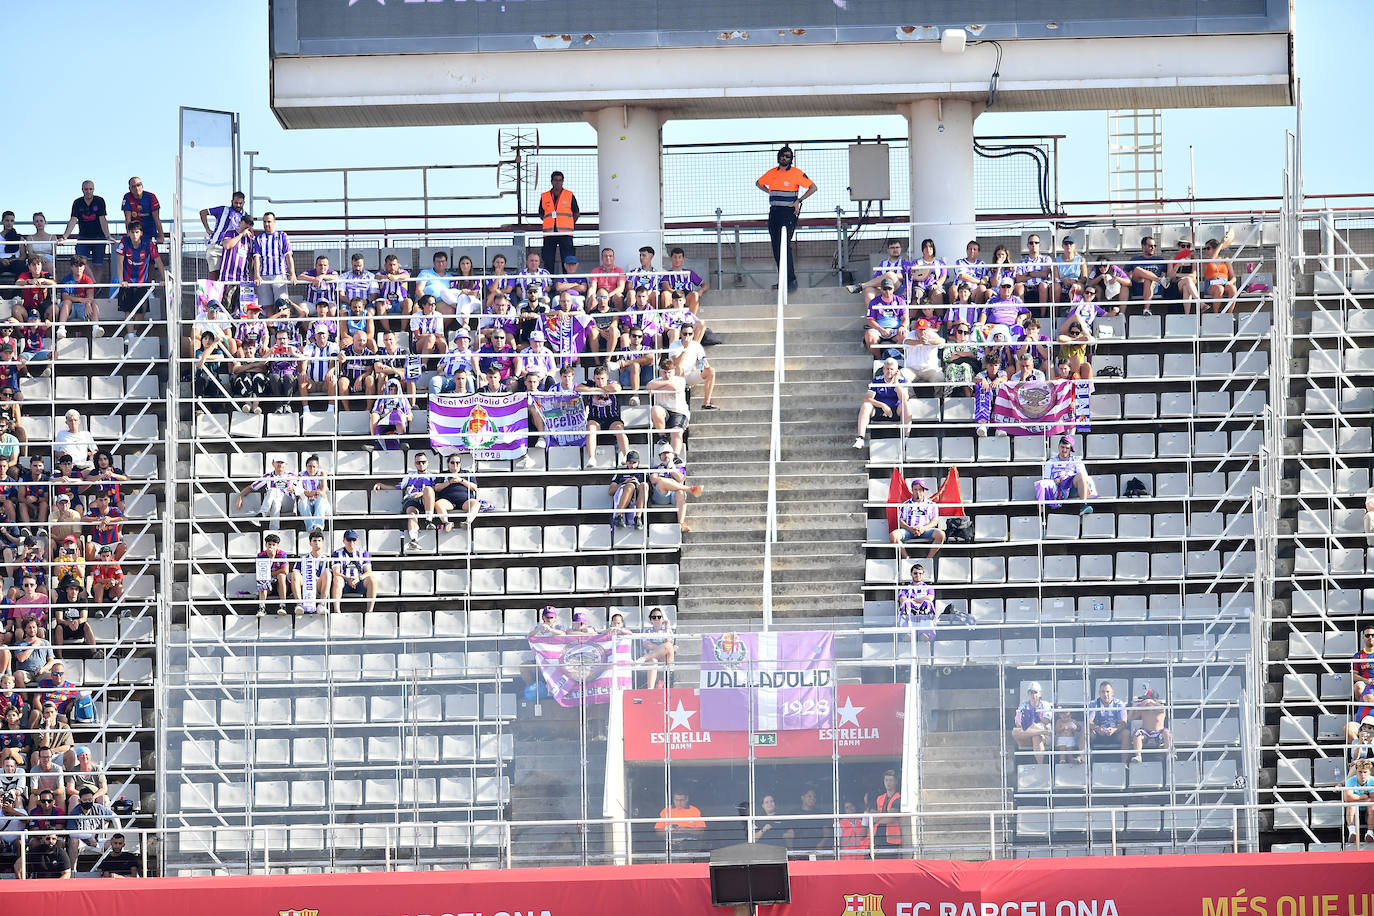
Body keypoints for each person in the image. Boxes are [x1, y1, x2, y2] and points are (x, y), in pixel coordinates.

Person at [756, 145, 816, 291]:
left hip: (788, 212)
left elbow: (813, 187)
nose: (784, 158)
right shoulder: (772, 172)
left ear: (791, 159)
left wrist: (799, 200)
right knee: (776, 246)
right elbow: (758, 183)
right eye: (782, 155)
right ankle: (783, 280)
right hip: (774, 211)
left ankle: (791, 281)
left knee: (784, 244)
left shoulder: (797, 173)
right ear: (779, 156)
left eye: (788, 156)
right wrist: (770, 192)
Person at [58, 181, 114, 289]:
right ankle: (93, 285)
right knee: (80, 261)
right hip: (84, 237)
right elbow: (73, 220)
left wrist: (108, 236)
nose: (88, 191)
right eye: (86, 189)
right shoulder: (77, 202)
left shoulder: (99, 201)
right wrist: (65, 237)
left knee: (98, 265)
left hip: (99, 237)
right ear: (82, 190)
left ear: (93, 189)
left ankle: (96, 289)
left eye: (90, 189)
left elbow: (102, 219)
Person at [374, 452, 436, 549]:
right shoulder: (409, 476)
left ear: (427, 463)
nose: (421, 465)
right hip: (412, 500)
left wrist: (421, 493)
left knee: (428, 490)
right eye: (418, 462)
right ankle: (414, 539)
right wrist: (381, 485)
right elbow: (398, 487)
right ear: (415, 464)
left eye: (423, 462)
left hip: (426, 501)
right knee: (411, 513)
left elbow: (436, 489)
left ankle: (428, 521)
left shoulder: (434, 476)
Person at [853, 357, 909, 450]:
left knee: (906, 405)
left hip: (896, 411)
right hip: (879, 410)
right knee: (866, 405)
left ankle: (906, 438)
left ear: (896, 371)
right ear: (883, 369)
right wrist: (883, 405)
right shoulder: (877, 380)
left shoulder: (902, 380)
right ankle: (860, 438)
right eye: (887, 369)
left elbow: (904, 399)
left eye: (892, 369)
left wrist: (896, 383)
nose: (889, 371)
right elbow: (867, 398)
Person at [578, 365, 628, 469]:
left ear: (607, 377)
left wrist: (603, 389)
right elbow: (578, 388)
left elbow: (616, 388)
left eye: (602, 379)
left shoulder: (612, 383)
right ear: (594, 378)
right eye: (597, 379)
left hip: (612, 418)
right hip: (595, 418)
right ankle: (591, 458)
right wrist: (597, 390)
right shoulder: (590, 383)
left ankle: (626, 455)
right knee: (590, 428)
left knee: (619, 428)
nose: (600, 381)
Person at [113, 220, 166, 319]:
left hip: (142, 283)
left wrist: (164, 279)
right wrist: (121, 281)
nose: (134, 235)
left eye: (137, 232)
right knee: (127, 310)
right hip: (127, 283)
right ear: (128, 233)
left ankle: (134, 332)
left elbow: (158, 261)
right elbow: (119, 261)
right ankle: (130, 334)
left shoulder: (148, 243)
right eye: (132, 232)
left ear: (141, 233)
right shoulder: (124, 241)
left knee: (142, 312)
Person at [648, 444, 704, 532]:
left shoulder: (679, 468)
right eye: (663, 454)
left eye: (668, 453)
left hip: (675, 495)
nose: (666, 455)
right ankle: (690, 489)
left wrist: (672, 469)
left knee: (680, 493)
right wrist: (666, 480)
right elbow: (653, 480)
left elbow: (681, 479)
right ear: (660, 457)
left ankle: (681, 523)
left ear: (673, 455)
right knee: (661, 481)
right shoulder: (655, 468)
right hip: (661, 495)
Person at [1036, 436, 1096, 515]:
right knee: (1041, 484)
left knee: (1081, 475)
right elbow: (1046, 479)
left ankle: (1083, 505)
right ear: (1058, 446)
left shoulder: (1076, 460)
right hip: (1056, 487)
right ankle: (1041, 516)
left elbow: (1084, 477)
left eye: (1067, 448)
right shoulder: (1050, 462)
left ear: (1071, 448)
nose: (1064, 450)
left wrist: (1067, 477)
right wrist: (1055, 480)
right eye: (1062, 447)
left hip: (1072, 488)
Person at [236, 454, 296, 528]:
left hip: (288, 504)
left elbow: (303, 487)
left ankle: (262, 514)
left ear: (286, 464)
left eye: (282, 462)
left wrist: (295, 487)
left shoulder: (292, 476)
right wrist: (240, 496)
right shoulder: (267, 476)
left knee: (273, 490)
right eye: (277, 462)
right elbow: (251, 487)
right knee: (276, 503)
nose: (280, 464)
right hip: (274, 505)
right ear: (273, 463)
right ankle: (274, 531)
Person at [667, 323, 718, 411]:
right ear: (680, 334)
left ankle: (706, 403)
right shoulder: (674, 345)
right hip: (677, 376)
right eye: (685, 334)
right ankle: (679, 400)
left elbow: (703, 360)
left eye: (690, 334)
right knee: (679, 367)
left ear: (693, 334)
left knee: (711, 371)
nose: (687, 336)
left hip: (690, 375)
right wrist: (685, 349)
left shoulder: (696, 345)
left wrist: (704, 366)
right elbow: (676, 363)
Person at [647, 357, 691, 457]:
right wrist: (667, 383)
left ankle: (675, 456)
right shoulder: (656, 380)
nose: (666, 375)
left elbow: (674, 387)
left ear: (674, 371)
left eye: (669, 372)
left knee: (676, 431)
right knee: (655, 409)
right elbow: (648, 387)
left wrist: (658, 387)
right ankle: (663, 437)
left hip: (678, 412)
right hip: (664, 412)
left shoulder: (680, 380)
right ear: (660, 371)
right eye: (664, 372)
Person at [891, 479, 945, 560]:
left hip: (926, 530)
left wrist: (923, 528)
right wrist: (910, 528)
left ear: (923, 491)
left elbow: (934, 521)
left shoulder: (932, 505)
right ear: (912, 490)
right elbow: (901, 521)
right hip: (909, 531)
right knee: (893, 536)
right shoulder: (905, 504)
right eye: (915, 489)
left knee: (941, 534)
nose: (918, 492)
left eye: (920, 489)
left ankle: (928, 559)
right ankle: (907, 558)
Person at [199, 190, 248, 279]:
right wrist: (208, 229)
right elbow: (203, 212)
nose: (238, 205)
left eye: (240, 203)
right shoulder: (223, 210)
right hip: (217, 246)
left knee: (228, 277)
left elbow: (249, 228)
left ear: (244, 202)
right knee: (215, 275)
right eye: (236, 202)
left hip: (232, 249)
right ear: (231, 201)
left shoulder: (245, 215)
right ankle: (213, 292)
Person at [250, 212, 296, 306]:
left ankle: (282, 321)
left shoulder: (282, 236)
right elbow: (256, 258)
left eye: (269, 221)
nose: (266, 224)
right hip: (264, 276)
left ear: (274, 222)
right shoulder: (258, 238)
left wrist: (292, 274)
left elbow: (288, 256)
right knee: (268, 306)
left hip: (279, 275)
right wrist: (257, 275)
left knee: (282, 305)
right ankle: (270, 321)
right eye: (264, 222)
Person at [538, 171, 580, 273]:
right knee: (548, 259)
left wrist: (569, 223)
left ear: (563, 182)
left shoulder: (569, 195)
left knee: (567, 258)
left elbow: (576, 212)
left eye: (560, 180)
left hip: (565, 233)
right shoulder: (545, 196)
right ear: (552, 181)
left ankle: (567, 281)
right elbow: (541, 213)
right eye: (556, 180)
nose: (558, 183)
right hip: (550, 232)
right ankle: (549, 282)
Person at [329, 529, 376, 615]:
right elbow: (336, 572)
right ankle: (337, 611)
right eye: (349, 540)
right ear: (344, 540)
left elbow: (368, 572)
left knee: (372, 579)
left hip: (359, 581)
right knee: (337, 579)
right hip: (344, 583)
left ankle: (370, 612)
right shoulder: (337, 553)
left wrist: (359, 578)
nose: (351, 542)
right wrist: (347, 579)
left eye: (353, 540)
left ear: (357, 540)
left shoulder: (364, 553)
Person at [66, 784, 114, 865]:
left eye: (90, 799)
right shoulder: (74, 812)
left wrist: (119, 832)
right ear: (80, 800)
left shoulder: (98, 808)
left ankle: (109, 870)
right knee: (73, 841)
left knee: (115, 842)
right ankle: (73, 871)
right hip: (81, 842)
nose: (88, 802)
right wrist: (88, 836)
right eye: (85, 800)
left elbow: (114, 816)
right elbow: (71, 833)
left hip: (97, 841)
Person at [433, 454, 481, 530]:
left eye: (457, 462)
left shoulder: (467, 473)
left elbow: (474, 487)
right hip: (448, 502)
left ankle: (467, 522)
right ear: (448, 463)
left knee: (476, 503)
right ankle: (446, 523)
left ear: (460, 464)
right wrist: (450, 482)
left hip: (465, 502)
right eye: (452, 462)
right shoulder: (442, 474)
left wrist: (461, 480)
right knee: (438, 503)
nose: (455, 464)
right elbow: (436, 488)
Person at [290, 528, 332, 615]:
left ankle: (322, 604)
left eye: (319, 540)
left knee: (328, 573)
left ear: (323, 542)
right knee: (295, 574)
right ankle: (299, 604)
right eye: (314, 540)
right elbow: (295, 575)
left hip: (319, 585)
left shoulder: (328, 559)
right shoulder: (302, 558)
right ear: (310, 543)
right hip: (306, 585)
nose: (317, 543)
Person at [863, 277, 908, 358]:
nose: (887, 291)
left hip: (895, 329)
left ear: (893, 289)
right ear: (881, 289)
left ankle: (894, 356)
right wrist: (881, 329)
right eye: (885, 289)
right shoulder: (874, 302)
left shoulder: (900, 301)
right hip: (879, 329)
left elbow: (905, 318)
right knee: (869, 335)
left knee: (905, 335)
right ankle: (879, 358)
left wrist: (903, 326)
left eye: (889, 289)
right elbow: (870, 320)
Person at [1012, 682, 1053, 765]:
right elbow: (1018, 722)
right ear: (1028, 694)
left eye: (1035, 692)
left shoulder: (1045, 704)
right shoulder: (1023, 704)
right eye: (1031, 692)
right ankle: (1040, 732)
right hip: (1030, 733)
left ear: (1040, 694)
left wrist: (1028, 719)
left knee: (1036, 736)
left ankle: (1040, 765)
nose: (1033, 695)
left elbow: (1046, 720)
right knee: (1015, 732)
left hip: (1044, 736)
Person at [655, 788, 705, 854]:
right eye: (676, 800)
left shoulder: (694, 811)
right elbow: (658, 831)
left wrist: (685, 829)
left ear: (687, 799)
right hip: (671, 845)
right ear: (673, 800)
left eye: (681, 800)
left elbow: (701, 830)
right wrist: (670, 830)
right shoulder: (666, 811)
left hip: (690, 845)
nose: (679, 803)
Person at [1087, 680, 1130, 756]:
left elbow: (1123, 723)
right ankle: (1082, 758)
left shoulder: (1119, 704)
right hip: (1098, 733)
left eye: (1107, 691)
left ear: (1112, 692)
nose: (1105, 694)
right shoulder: (1093, 704)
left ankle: (1124, 764)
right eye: (1102, 692)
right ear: (1099, 693)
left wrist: (1115, 730)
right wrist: (1097, 728)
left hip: (1115, 733)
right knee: (1085, 731)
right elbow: (1088, 721)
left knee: (1126, 733)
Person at [1127, 236, 1168, 312]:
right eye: (1150, 246)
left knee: (1148, 279)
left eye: (1154, 246)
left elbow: (1166, 273)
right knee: (1137, 269)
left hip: (1154, 286)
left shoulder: (1160, 260)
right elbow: (1125, 272)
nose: (1153, 248)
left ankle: (1146, 309)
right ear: (1143, 246)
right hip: (1138, 285)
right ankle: (1160, 280)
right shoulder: (1135, 259)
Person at [610, 451, 649, 531]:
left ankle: (638, 517)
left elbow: (649, 490)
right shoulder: (620, 473)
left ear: (638, 463)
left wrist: (637, 483)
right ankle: (619, 516)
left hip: (638, 496)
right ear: (626, 462)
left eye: (634, 462)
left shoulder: (643, 473)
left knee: (644, 485)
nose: (632, 465)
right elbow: (611, 491)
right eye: (630, 462)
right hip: (624, 492)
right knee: (630, 486)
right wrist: (624, 483)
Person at [896, 564, 936, 639]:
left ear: (923, 575)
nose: (918, 575)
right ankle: (907, 633)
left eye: (920, 573)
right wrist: (919, 600)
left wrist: (913, 600)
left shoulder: (929, 588)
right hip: (910, 612)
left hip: (923, 612)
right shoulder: (905, 588)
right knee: (907, 604)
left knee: (927, 604)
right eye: (915, 573)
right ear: (911, 574)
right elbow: (902, 600)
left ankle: (925, 633)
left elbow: (930, 598)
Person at [639, 607, 676, 689]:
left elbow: (668, 642)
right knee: (653, 660)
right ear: (651, 620)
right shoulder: (647, 631)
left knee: (668, 646)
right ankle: (651, 689)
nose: (656, 619)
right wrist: (662, 648)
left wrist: (667, 626)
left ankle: (643, 658)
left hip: (665, 658)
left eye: (659, 617)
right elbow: (646, 645)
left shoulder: (667, 630)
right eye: (654, 617)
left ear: (662, 619)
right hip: (652, 658)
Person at [255, 531, 290, 616]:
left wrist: (272, 573)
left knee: (281, 576)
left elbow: (285, 570)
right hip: (268, 583)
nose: (271, 546)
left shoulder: (282, 554)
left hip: (280, 583)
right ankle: (262, 608)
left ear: (277, 546)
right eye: (269, 544)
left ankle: (282, 605)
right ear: (266, 545)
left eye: (273, 545)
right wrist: (270, 559)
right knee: (263, 578)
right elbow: (261, 572)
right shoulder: (261, 555)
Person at [121, 176, 164, 244]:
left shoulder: (151, 197)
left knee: (151, 253)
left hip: (150, 233)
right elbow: (127, 218)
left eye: (138, 185)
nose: (136, 188)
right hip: (135, 234)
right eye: (133, 186)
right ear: (129, 189)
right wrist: (129, 235)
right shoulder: (127, 197)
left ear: (142, 186)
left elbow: (156, 218)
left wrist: (161, 236)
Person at [1130, 697, 1172, 764]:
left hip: (1159, 733)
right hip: (1146, 733)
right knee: (1137, 733)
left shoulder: (1160, 708)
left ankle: (1169, 755)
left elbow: (1161, 708)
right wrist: (1134, 707)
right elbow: (1129, 718)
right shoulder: (1143, 709)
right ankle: (1138, 756)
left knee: (1166, 732)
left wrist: (1152, 702)